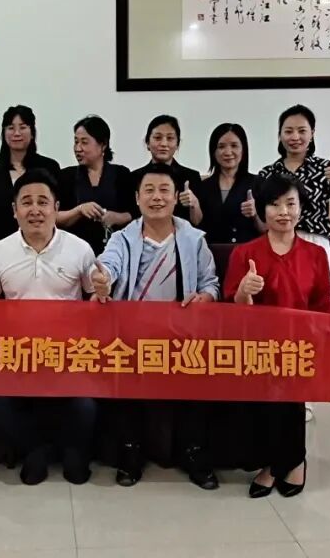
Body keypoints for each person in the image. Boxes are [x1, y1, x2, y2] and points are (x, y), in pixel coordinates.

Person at [224, 174, 330, 499]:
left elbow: (322, 305)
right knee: (264, 409)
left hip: (297, 346)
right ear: (262, 210)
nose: (283, 212)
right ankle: (273, 463)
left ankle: (291, 463)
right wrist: (244, 292)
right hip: (257, 347)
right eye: (274, 204)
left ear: (301, 208)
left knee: (292, 405)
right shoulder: (245, 253)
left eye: (290, 203)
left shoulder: (316, 254)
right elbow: (232, 310)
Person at [0, 170, 97, 485]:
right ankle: (35, 449)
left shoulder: (80, 249)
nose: (35, 210)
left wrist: (103, 291)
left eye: (43, 202)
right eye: (27, 202)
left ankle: (73, 449)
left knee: (86, 405)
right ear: (14, 210)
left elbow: (95, 301)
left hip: (68, 354)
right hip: (18, 355)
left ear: (56, 207)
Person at [91, 163, 221, 490]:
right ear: (137, 198)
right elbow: (108, 266)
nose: (157, 197)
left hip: (183, 335)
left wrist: (205, 297)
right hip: (134, 335)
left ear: (176, 197)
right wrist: (102, 280)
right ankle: (130, 452)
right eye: (149, 190)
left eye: (164, 190)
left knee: (200, 380)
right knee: (123, 378)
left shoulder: (194, 240)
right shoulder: (123, 238)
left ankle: (194, 452)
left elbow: (211, 283)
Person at [258, 104, 330, 268]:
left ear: (312, 134)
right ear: (280, 135)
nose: (295, 137)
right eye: (288, 131)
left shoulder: (325, 169)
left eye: (302, 131)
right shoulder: (268, 173)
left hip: (315, 241)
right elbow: (261, 215)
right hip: (277, 243)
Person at [0, 105, 61, 249]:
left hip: (45, 245)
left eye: (22, 127)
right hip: (4, 248)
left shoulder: (49, 168)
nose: (16, 133)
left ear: (32, 132)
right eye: (10, 128)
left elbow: (56, 212)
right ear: (3, 133)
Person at [56, 115, 135, 254]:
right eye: (76, 142)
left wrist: (115, 217)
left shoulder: (121, 174)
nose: (78, 148)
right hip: (74, 252)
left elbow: (134, 213)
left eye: (84, 142)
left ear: (103, 144)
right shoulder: (66, 176)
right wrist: (79, 210)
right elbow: (54, 217)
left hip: (114, 251)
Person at [129, 115, 203, 225]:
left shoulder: (191, 177)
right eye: (157, 138)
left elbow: (198, 224)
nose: (164, 144)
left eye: (170, 138)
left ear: (177, 144)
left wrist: (194, 204)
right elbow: (131, 218)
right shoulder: (134, 177)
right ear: (147, 143)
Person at [197, 123, 263, 244]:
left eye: (234, 146)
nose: (228, 152)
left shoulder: (258, 183)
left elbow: (266, 230)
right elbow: (196, 226)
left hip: (245, 251)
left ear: (243, 150)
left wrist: (255, 215)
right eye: (221, 146)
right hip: (210, 252)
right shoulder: (203, 187)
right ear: (213, 151)